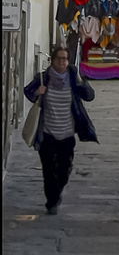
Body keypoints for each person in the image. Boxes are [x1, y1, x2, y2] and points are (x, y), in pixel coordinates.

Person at [24, 46, 97, 215]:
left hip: (67, 133)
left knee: (64, 169)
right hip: (47, 133)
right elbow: (28, 92)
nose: (62, 62)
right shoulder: (43, 78)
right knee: (48, 170)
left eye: (65, 59)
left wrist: (80, 81)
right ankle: (52, 201)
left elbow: (90, 96)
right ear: (52, 61)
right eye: (59, 59)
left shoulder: (72, 78)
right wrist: (38, 92)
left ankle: (56, 192)